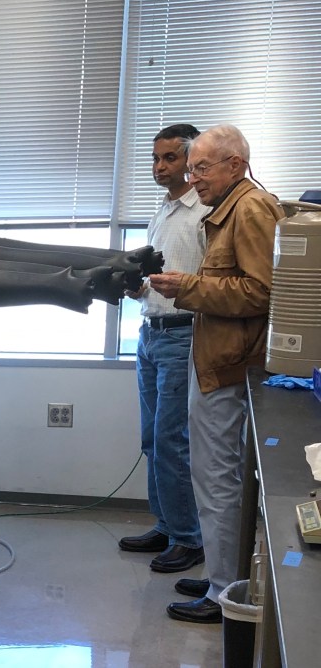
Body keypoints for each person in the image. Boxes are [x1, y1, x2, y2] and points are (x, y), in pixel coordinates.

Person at [148, 124, 282, 624]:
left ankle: (224, 592)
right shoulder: (229, 209)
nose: (193, 177)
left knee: (216, 478)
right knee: (216, 477)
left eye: (202, 167)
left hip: (229, 364)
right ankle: (221, 577)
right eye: (192, 168)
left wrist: (187, 287)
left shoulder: (250, 209)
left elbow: (261, 292)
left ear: (236, 165)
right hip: (219, 358)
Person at [119, 124, 211, 574]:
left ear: (191, 162)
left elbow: (212, 283)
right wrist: (137, 288)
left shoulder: (206, 213)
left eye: (170, 158)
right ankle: (167, 524)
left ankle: (188, 538)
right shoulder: (163, 211)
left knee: (173, 441)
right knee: (151, 438)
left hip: (182, 335)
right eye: (155, 159)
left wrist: (179, 289)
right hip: (150, 332)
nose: (159, 167)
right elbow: (160, 276)